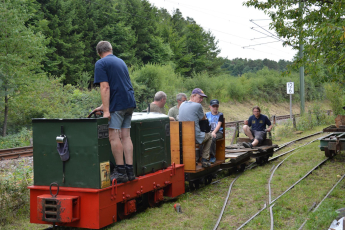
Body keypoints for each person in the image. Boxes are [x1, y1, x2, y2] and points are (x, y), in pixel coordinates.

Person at [92, 41, 136, 183]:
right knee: (126, 136)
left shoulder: (101, 63)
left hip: (118, 105)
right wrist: (102, 105)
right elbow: (119, 86)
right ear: (111, 49)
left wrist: (106, 111)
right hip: (129, 103)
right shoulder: (121, 62)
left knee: (113, 136)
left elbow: (105, 87)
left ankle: (121, 171)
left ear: (99, 53)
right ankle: (130, 171)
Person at [179, 88, 212, 168]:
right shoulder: (198, 106)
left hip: (182, 136)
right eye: (200, 97)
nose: (201, 100)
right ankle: (204, 159)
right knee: (210, 136)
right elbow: (203, 118)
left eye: (202, 98)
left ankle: (193, 159)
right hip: (194, 137)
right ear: (193, 96)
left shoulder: (182, 104)